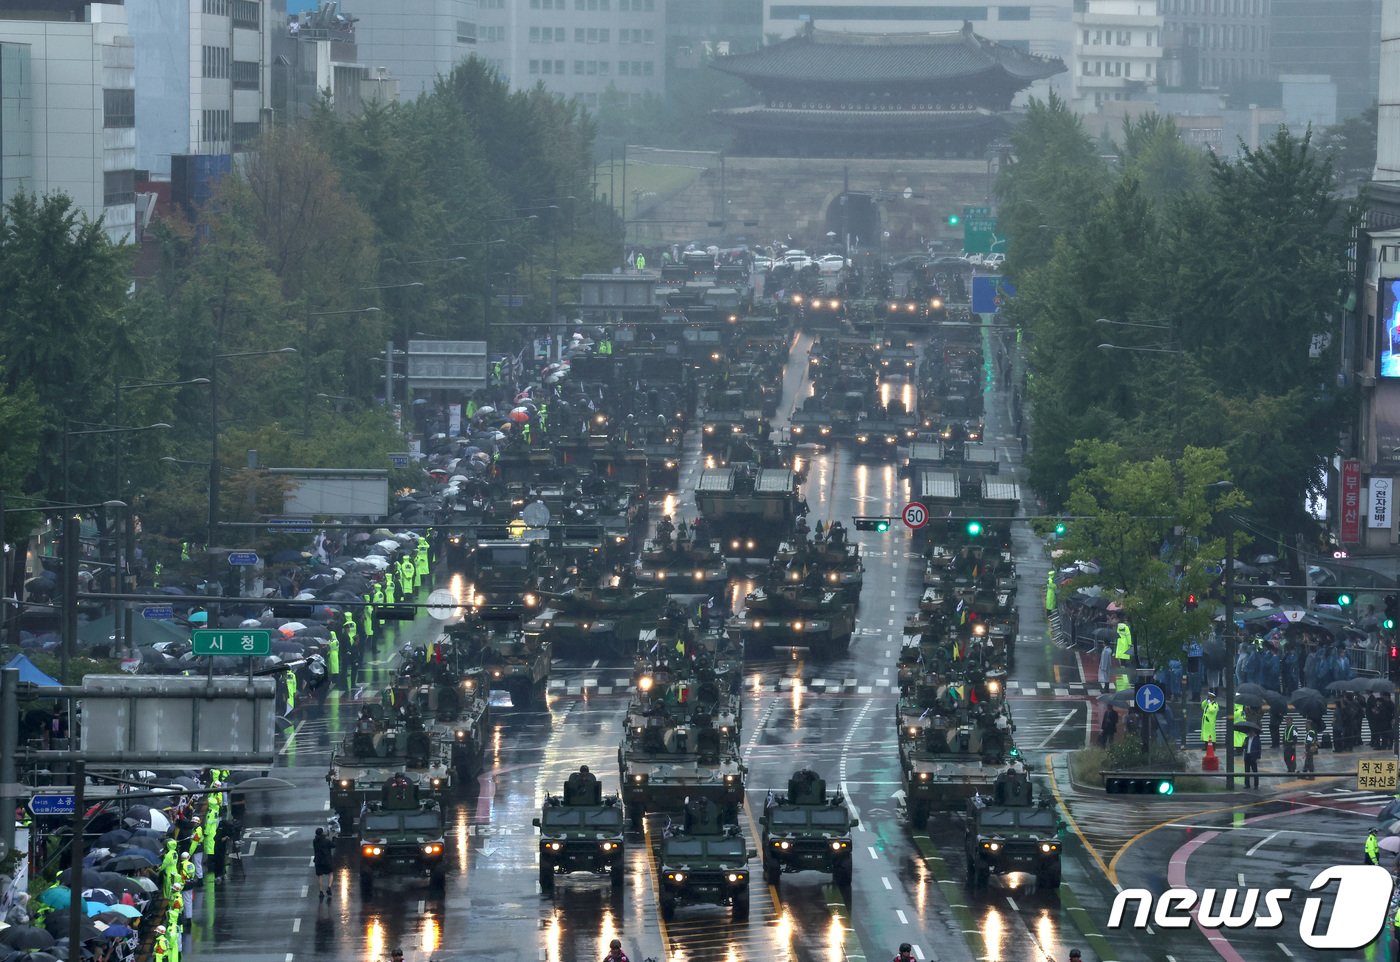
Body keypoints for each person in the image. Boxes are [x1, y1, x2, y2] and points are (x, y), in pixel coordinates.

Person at [313, 827, 334, 900]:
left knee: (320, 876)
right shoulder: (327, 841)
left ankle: (321, 891)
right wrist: (330, 837)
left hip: (318, 860)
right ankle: (329, 887)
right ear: (322, 833)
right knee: (330, 873)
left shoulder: (315, 841)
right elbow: (334, 845)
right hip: (327, 860)